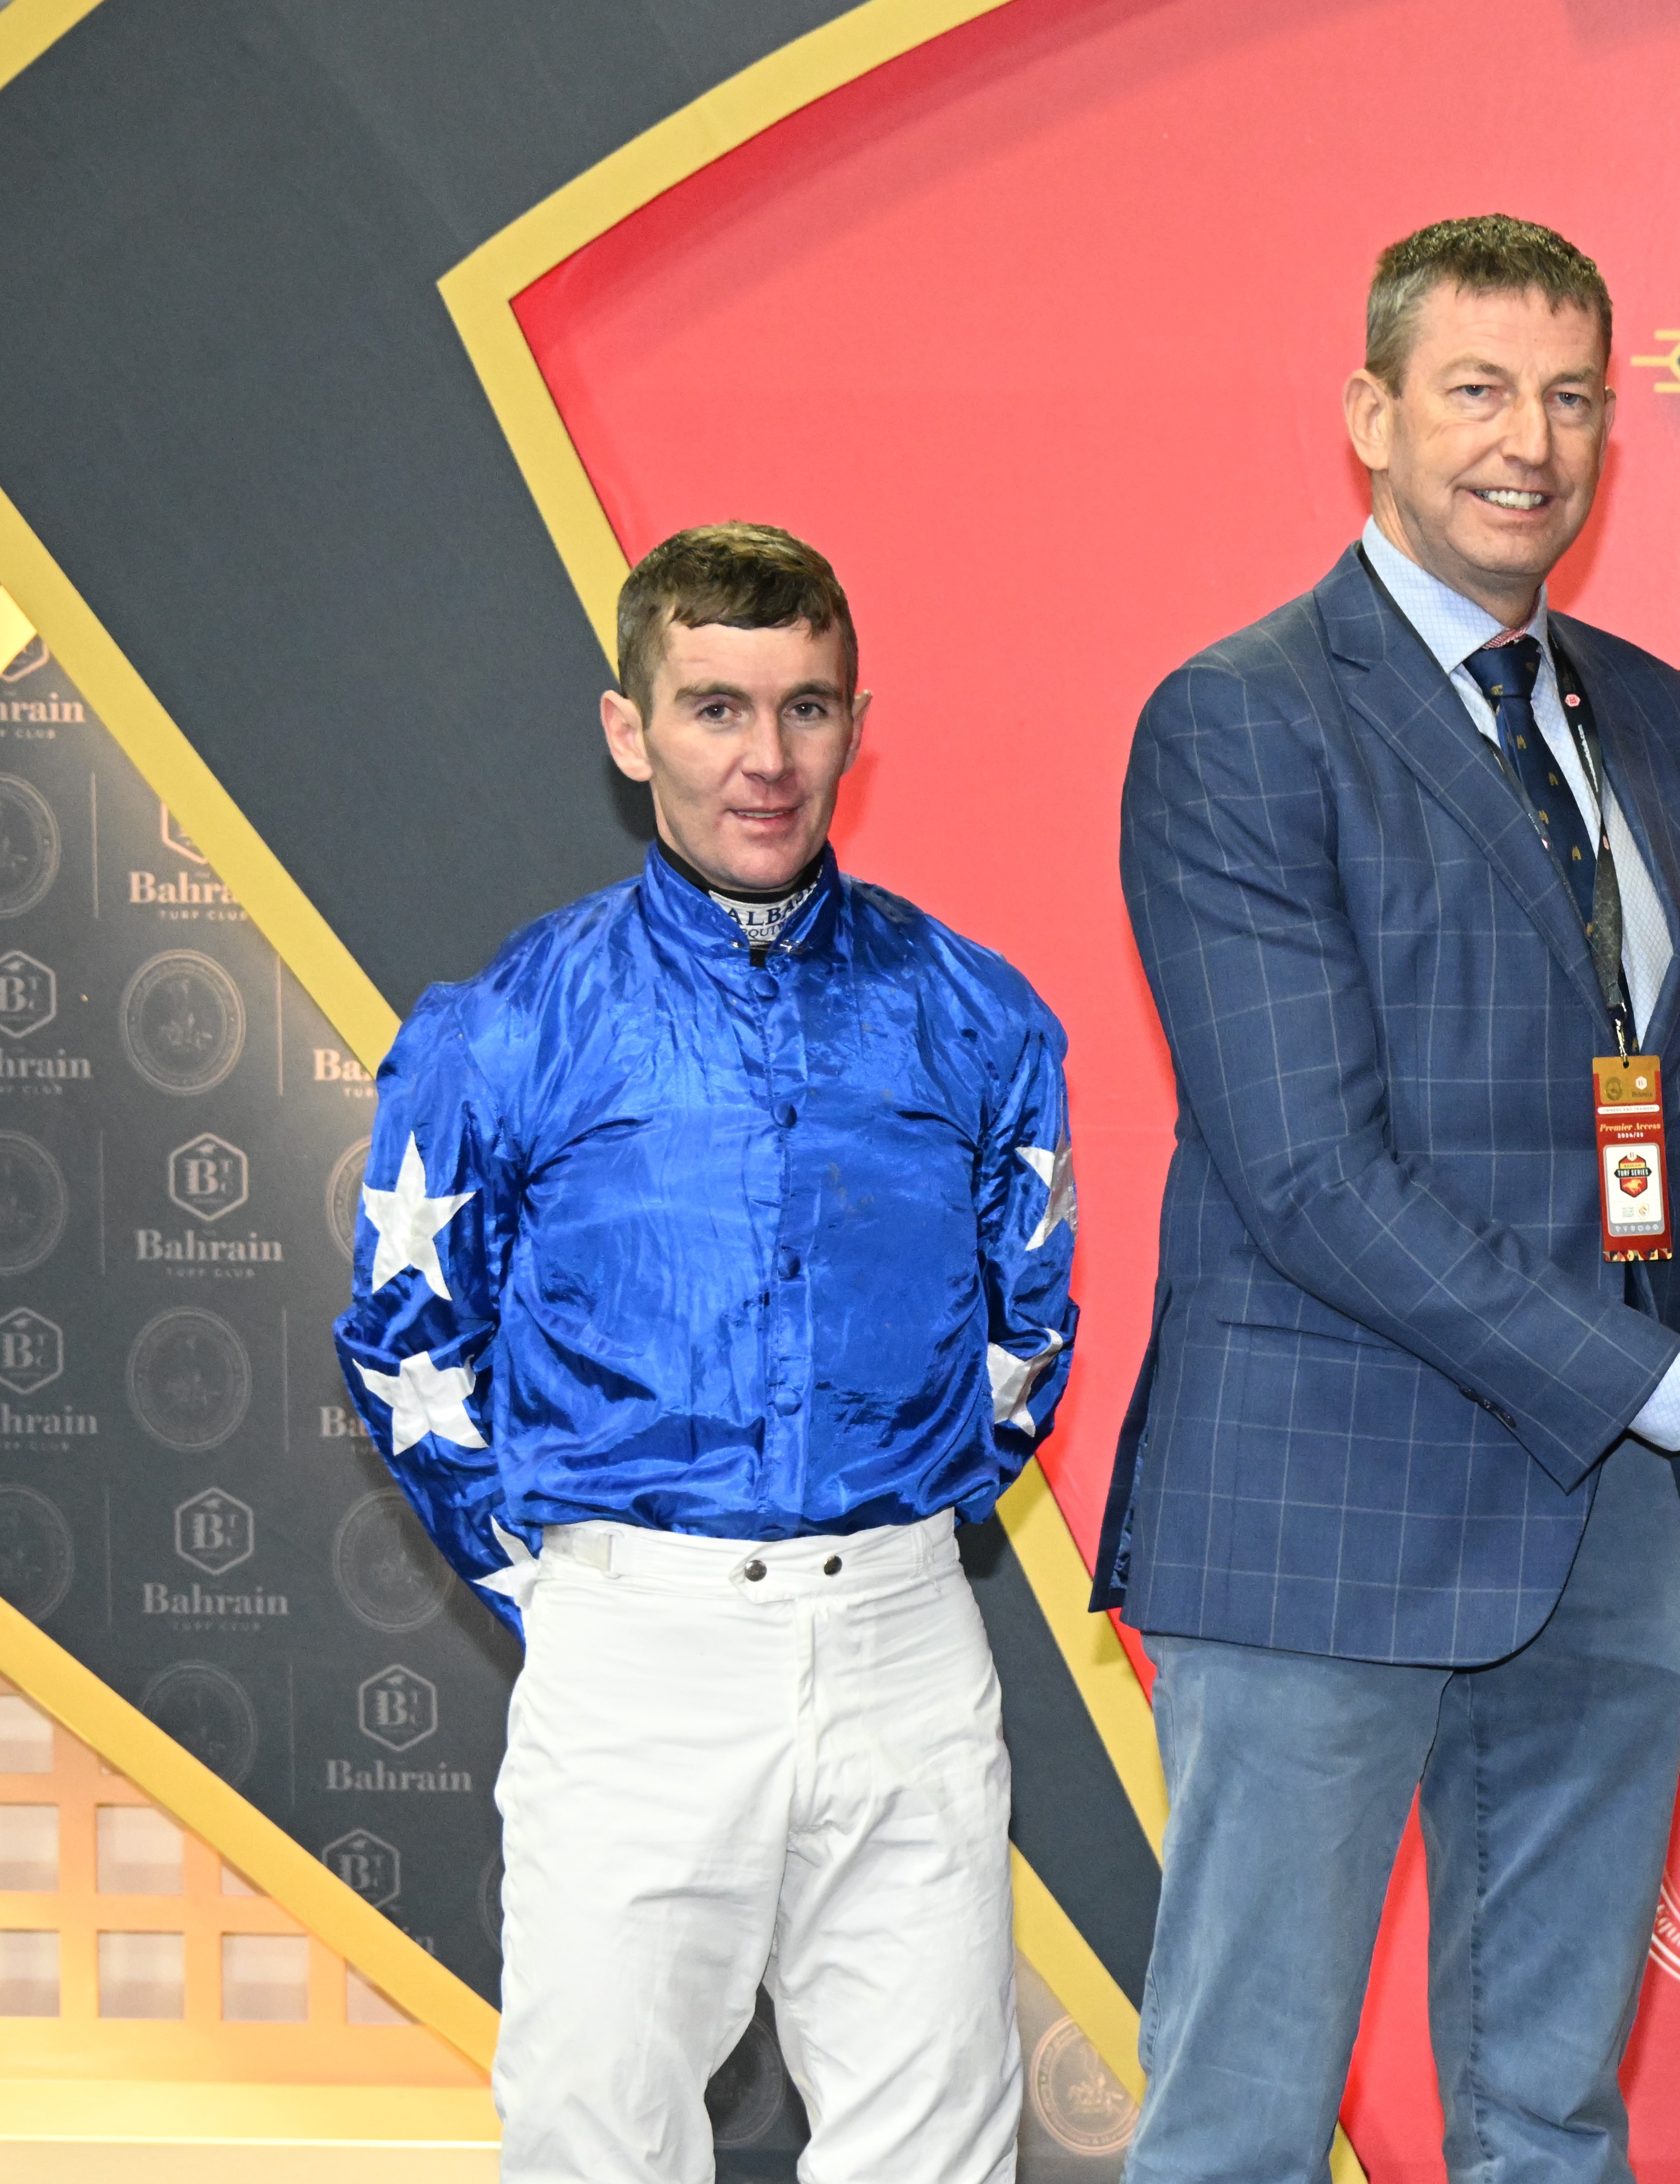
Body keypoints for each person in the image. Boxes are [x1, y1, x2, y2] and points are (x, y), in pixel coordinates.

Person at [1101, 215, 1680, 2184]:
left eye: (1568, 398)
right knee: (1240, 2128)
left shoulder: (1648, 708)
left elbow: (1602, 1111)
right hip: (1325, 1511)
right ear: (1370, 414)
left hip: (1609, 1520)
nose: (1527, 443)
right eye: (1475, 390)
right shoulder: (1242, 717)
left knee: (1549, 2113)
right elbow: (1314, 1178)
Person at [335, 521, 1076, 2184]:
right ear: (630, 730)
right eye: (716, 708)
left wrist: (895, 1532)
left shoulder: (978, 1013)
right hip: (631, 1659)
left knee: (936, 2151)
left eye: (805, 707)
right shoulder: (508, 1022)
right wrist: (570, 1595)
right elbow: (405, 1340)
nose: (767, 759)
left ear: (858, 724)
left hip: (903, 1647)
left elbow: (1028, 1320)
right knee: (596, 2144)